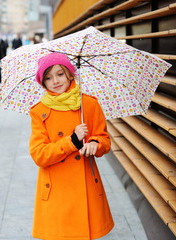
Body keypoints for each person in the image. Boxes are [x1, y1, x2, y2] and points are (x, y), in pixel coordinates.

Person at [29, 53, 114, 240]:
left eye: (60, 74)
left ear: (70, 74)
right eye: (48, 78)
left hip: (85, 182)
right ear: (43, 83)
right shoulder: (39, 112)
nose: (55, 81)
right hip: (55, 187)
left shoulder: (89, 104)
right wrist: (72, 142)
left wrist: (94, 143)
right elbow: (39, 155)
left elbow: (104, 139)